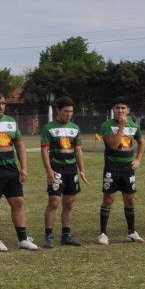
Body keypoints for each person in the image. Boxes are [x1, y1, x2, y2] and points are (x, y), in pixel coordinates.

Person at [0, 91, 37, 250]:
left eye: (3, 103)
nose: (1, 106)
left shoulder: (11, 122)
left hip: (11, 168)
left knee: (18, 202)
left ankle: (22, 239)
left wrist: (24, 167)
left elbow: (19, 144)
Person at [97, 99, 145, 244]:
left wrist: (138, 159)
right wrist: (122, 127)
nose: (120, 110)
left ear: (128, 110)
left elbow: (141, 141)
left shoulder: (134, 126)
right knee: (109, 199)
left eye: (123, 108)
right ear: (113, 109)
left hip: (128, 169)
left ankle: (131, 232)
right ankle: (103, 234)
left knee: (130, 199)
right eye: (117, 108)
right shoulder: (106, 125)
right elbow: (113, 145)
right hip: (112, 168)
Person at [40, 97, 85, 246]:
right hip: (56, 169)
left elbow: (78, 150)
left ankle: (66, 235)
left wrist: (82, 170)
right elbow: (44, 150)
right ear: (58, 110)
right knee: (54, 202)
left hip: (71, 170)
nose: (69, 114)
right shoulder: (48, 128)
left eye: (71, 111)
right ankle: (48, 236)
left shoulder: (75, 128)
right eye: (66, 111)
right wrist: (48, 170)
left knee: (69, 203)